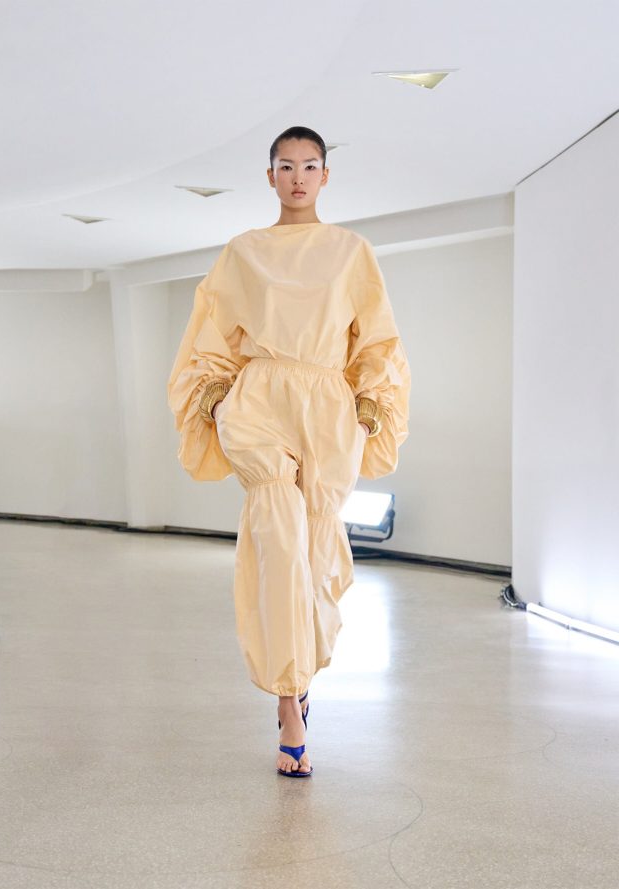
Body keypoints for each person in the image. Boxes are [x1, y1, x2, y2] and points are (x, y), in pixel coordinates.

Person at [167, 125, 411, 778]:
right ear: (269, 175)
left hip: (329, 404)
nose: (297, 177)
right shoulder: (243, 252)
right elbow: (212, 332)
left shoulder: (352, 251)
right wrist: (219, 399)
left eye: (309, 165)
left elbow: (377, 340)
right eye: (285, 165)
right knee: (278, 544)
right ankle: (288, 704)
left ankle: (302, 675)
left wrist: (368, 406)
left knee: (318, 554)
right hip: (261, 397)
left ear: (325, 175)